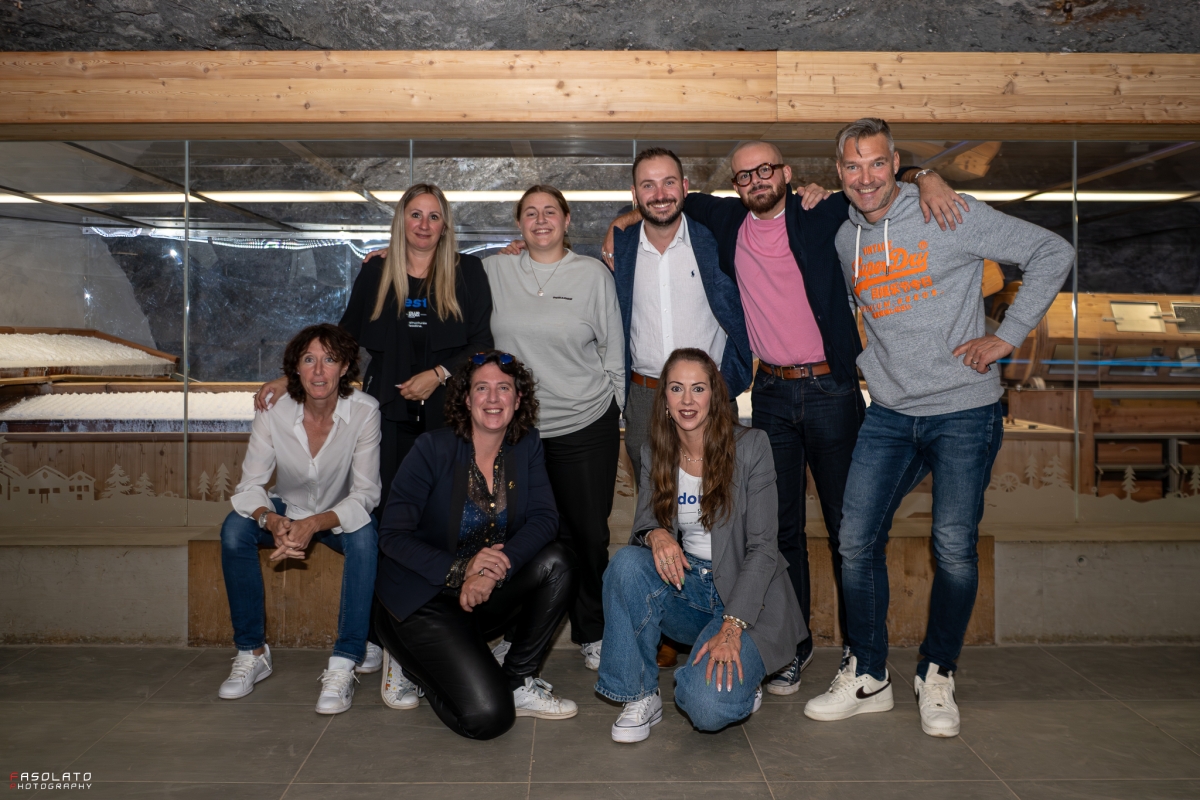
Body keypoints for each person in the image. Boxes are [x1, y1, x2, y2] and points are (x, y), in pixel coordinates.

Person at [604, 140, 967, 694]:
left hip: (829, 390)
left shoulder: (814, 212)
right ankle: (788, 646)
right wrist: (623, 219)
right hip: (769, 392)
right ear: (734, 185)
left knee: (851, 529)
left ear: (788, 173)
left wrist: (925, 176)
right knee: (778, 530)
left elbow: (872, 187)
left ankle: (861, 655)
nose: (756, 180)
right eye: (744, 175)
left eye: (765, 170)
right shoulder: (725, 219)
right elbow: (663, 202)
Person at [803, 118, 1074, 737]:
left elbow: (1052, 251)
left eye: (877, 163)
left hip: (963, 409)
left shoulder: (948, 210)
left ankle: (937, 672)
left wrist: (1006, 336)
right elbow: (861, 308)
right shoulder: (846, 238)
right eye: (852, 166)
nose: (866, 178)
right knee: (854, 540)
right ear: (838, 172)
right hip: (890, 412)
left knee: (953, 546)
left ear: (895, 162)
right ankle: (868, 674)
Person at [597, 348, 803, 741]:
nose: (687, 400)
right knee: (626, 565)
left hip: (748, 598)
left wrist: (732, 627)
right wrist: (656, 533)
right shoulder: (656, 450)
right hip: (689, 587)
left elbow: (763, 549)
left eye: (698, 388)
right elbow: (644, 523)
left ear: (714, 395)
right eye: (676, 388)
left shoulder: (752, 446)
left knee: (706, 709)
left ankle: (739, 675)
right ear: (665, 398)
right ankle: (640, 695)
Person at [372, 350, 578, 739]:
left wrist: (493, 568)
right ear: (466, 399)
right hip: (422, 601)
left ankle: (517, 681)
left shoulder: (527, 445)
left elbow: (544, 519)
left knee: (558, 561)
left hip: (480, 595)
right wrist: (463, 568)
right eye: (482, 388)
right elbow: (392, 536)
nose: (493, 398)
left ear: (518, 399)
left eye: (504, 388)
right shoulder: (431, 449)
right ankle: (408, 659)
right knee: (488, 719)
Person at [255, 183, 493, 510]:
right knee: (388, 502)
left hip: (449, 409)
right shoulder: (377, 270)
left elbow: (482, 344)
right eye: (416, 215)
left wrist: (438, 375)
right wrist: (293, 378)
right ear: (402, 221)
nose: (424, 225)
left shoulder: (468, 271)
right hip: (387, 408)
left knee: (444, 503)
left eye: (434, 217)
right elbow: (343, 339)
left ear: (444, 226)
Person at [482, 185, 624, 671]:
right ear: (518, 224)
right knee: (523, 537)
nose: (540, 220)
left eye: (550, 212)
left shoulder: (592, 275)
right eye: (530, 213)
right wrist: (386, 257)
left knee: (588, 535)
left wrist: (618, 413)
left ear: (566, 221)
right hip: (519, 433)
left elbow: (613, 351)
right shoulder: (496, 270)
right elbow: (436, 273)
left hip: (586, 424)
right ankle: (518, 632)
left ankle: (593, 631)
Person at [220, 323, 382, 714]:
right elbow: (250, 485)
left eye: (330, 360)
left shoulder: (365, 410)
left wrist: (315, 524)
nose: (319, 371)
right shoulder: (274, 409)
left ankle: (345, 661)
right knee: (234, 530)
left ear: (345, 367)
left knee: (365, 537)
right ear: (296, 368)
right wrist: (270, 520)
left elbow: (366, 494)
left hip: (337, 515)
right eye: (309, 360)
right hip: (287, 509)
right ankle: (252, 652)